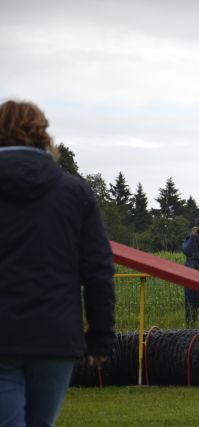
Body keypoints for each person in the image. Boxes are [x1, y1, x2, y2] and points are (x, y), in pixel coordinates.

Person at [0, 99, 116, 426]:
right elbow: (98, 272)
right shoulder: (74, 193)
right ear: (42, 136)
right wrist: (101, 339)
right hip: (54, 337)